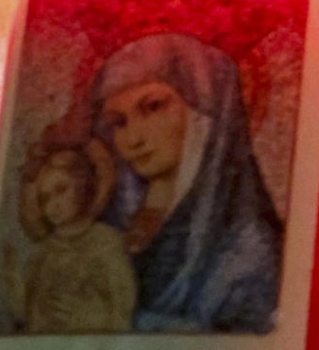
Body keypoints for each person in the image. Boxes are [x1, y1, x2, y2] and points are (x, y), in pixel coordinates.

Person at [90, 33, 287, 334]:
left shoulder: (250, 247)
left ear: (205, 114)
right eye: (119, 122)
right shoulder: (110, 227)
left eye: (153, 107)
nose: (133, 139)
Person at [11, 141, 139, 335]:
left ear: (82, 185)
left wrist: (89, 317)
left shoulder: (107, 242)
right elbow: (25, 313)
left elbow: (124, 307)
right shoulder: (43, 253)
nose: (54, 205)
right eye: (45, 198)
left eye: (61, 190)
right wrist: (13, 280)